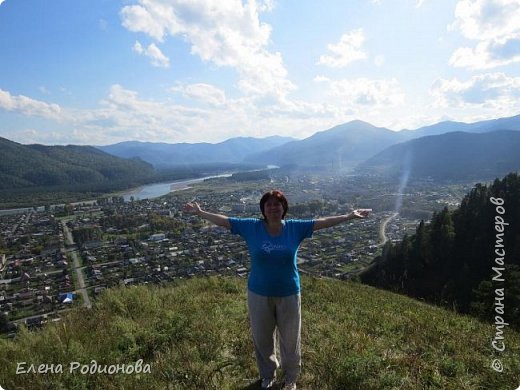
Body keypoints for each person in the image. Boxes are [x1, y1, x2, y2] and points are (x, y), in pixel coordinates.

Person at [182, 190, 371, 390]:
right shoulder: (251, 227)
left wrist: (349, 216)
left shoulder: (294, 228)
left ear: (284, 208)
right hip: (258, 293)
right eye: (269, 204)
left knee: (290, 339)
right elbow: (225, 221)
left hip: (289, 293)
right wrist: (200, 213)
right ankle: (268, 374)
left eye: (277, 204)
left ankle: (291, 378)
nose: (273, 208)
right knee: (262, 338)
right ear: (263, 209)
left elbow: (322, 222)